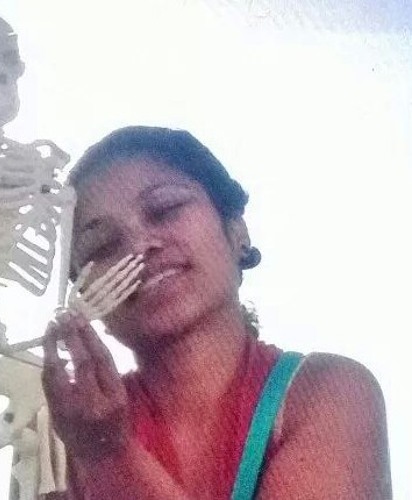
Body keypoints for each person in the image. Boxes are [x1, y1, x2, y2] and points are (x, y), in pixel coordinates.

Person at [42, 126, 392, 499]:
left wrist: (110, 453)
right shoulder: (66, 430)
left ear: (237, 232)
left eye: (165, 209)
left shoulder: (330, 391)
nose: (139, 247)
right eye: (102, 245)